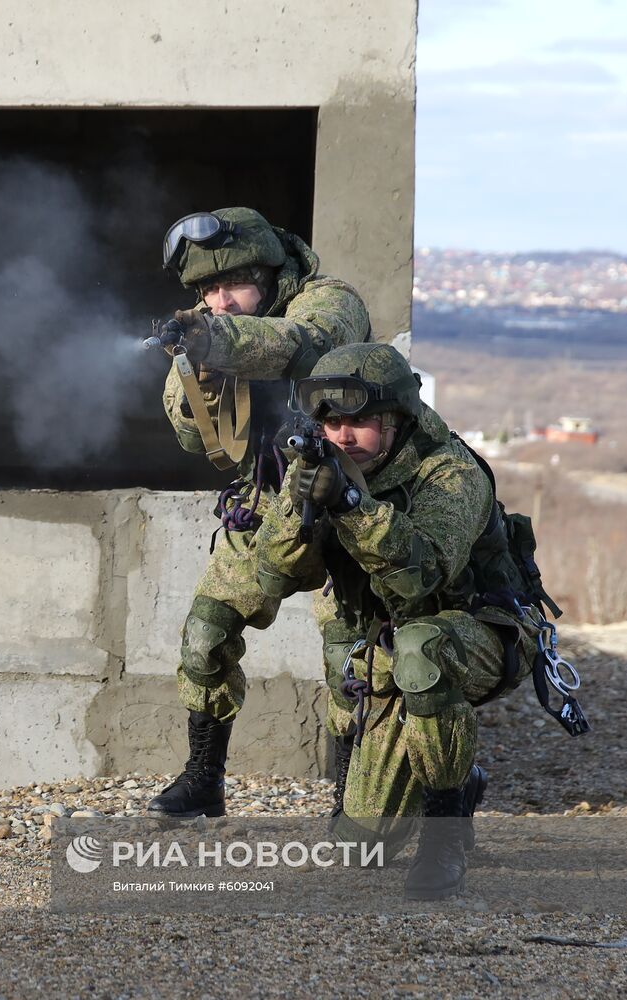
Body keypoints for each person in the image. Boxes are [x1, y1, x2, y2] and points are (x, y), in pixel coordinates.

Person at [254, 342, 550, 899]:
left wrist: (351, 506)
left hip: (480, 630)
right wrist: (298, 511)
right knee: (359, 849)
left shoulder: (451, 473)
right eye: (330, 421)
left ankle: (442, 839)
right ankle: (442, 782)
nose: (343, 435)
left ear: (395, 419)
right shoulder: (323, 464)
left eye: (360, 421)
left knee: (421, 646)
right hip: (386, 647)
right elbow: (274, 572)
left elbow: (425, 576)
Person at [147, 207, 371, 817]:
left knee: (352, 660)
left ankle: (354, 797)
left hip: (348, 504)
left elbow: (308, 345)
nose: (221, 300)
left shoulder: (327, 300)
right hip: (268, 505)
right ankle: (203, 777)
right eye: (209, 291)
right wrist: (201, 370)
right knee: (205, 637)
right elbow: (198, 441)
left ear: (271, 275)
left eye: (234, 284)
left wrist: (220, 342)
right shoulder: (209, 335)